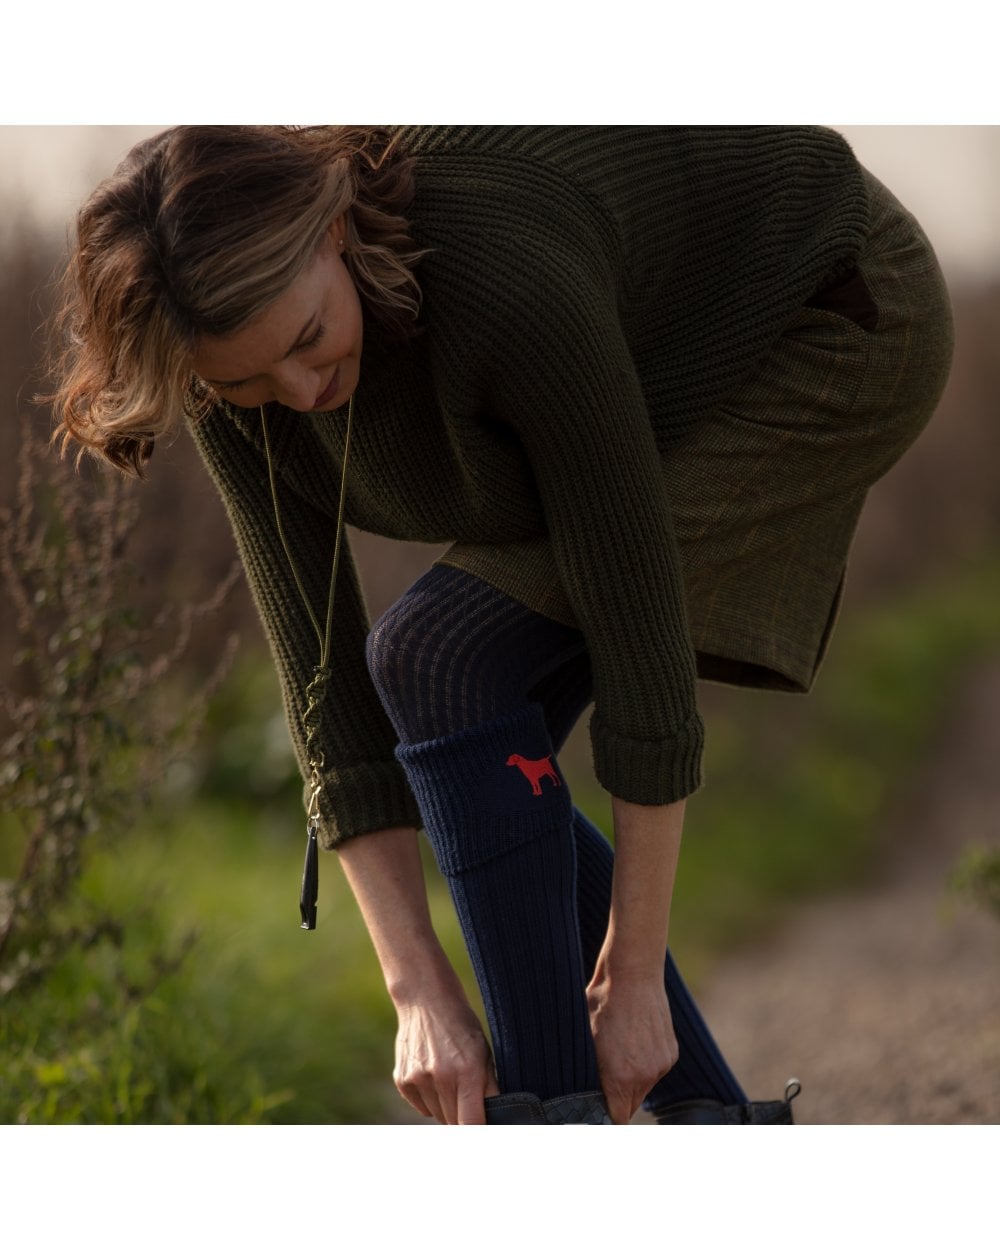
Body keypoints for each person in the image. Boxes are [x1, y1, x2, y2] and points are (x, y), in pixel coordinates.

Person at [50, 126, 954, 1125]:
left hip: (827, 308)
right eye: (248, 382)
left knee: (440, 658)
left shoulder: (499, 269)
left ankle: (551, 1131)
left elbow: (637, 633)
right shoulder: (227, 366)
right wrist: (416, 991)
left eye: (307, 339)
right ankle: (671, 1124)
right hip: (646, 338)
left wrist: (635, 971)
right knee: (451, 693)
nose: (298, 394)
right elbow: (324, 684)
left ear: (333, 231)